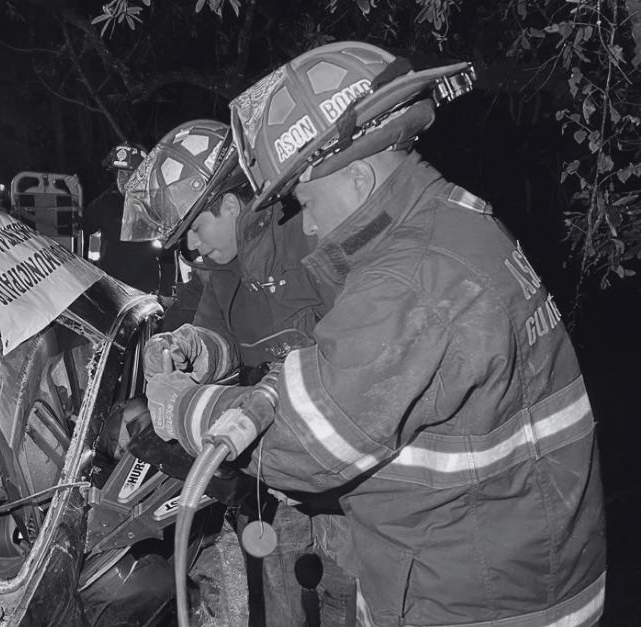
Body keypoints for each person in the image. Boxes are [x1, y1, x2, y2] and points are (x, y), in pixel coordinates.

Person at [147, 41, 606, 627]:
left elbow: (310, 438)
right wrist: (198, 350)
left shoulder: (411, 276)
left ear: (359, 175)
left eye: (306, 201)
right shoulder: (450, 221)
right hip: (482, 564)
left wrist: (182, 407)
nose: (309, 224)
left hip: (474, 595)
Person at [123, 119, 355, 626]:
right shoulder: (225, 271)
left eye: (195, 229)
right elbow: (224, 341)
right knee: (279, 605)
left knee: (347, 601)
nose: (191, 248)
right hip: (279, 481)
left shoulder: (310, 236)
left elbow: (357, 364)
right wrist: (191, 346)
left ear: (230, 204)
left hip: (350, 487)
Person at [84, 143, 171, 293]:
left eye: (130, 175)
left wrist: (167, 290)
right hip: (111, 287)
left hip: (146, 289)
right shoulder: (103, 204)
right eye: (121, 174)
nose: (124, 180)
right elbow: (84, 227)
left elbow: (169, 253)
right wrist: (73, 196)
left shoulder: (157, 206)